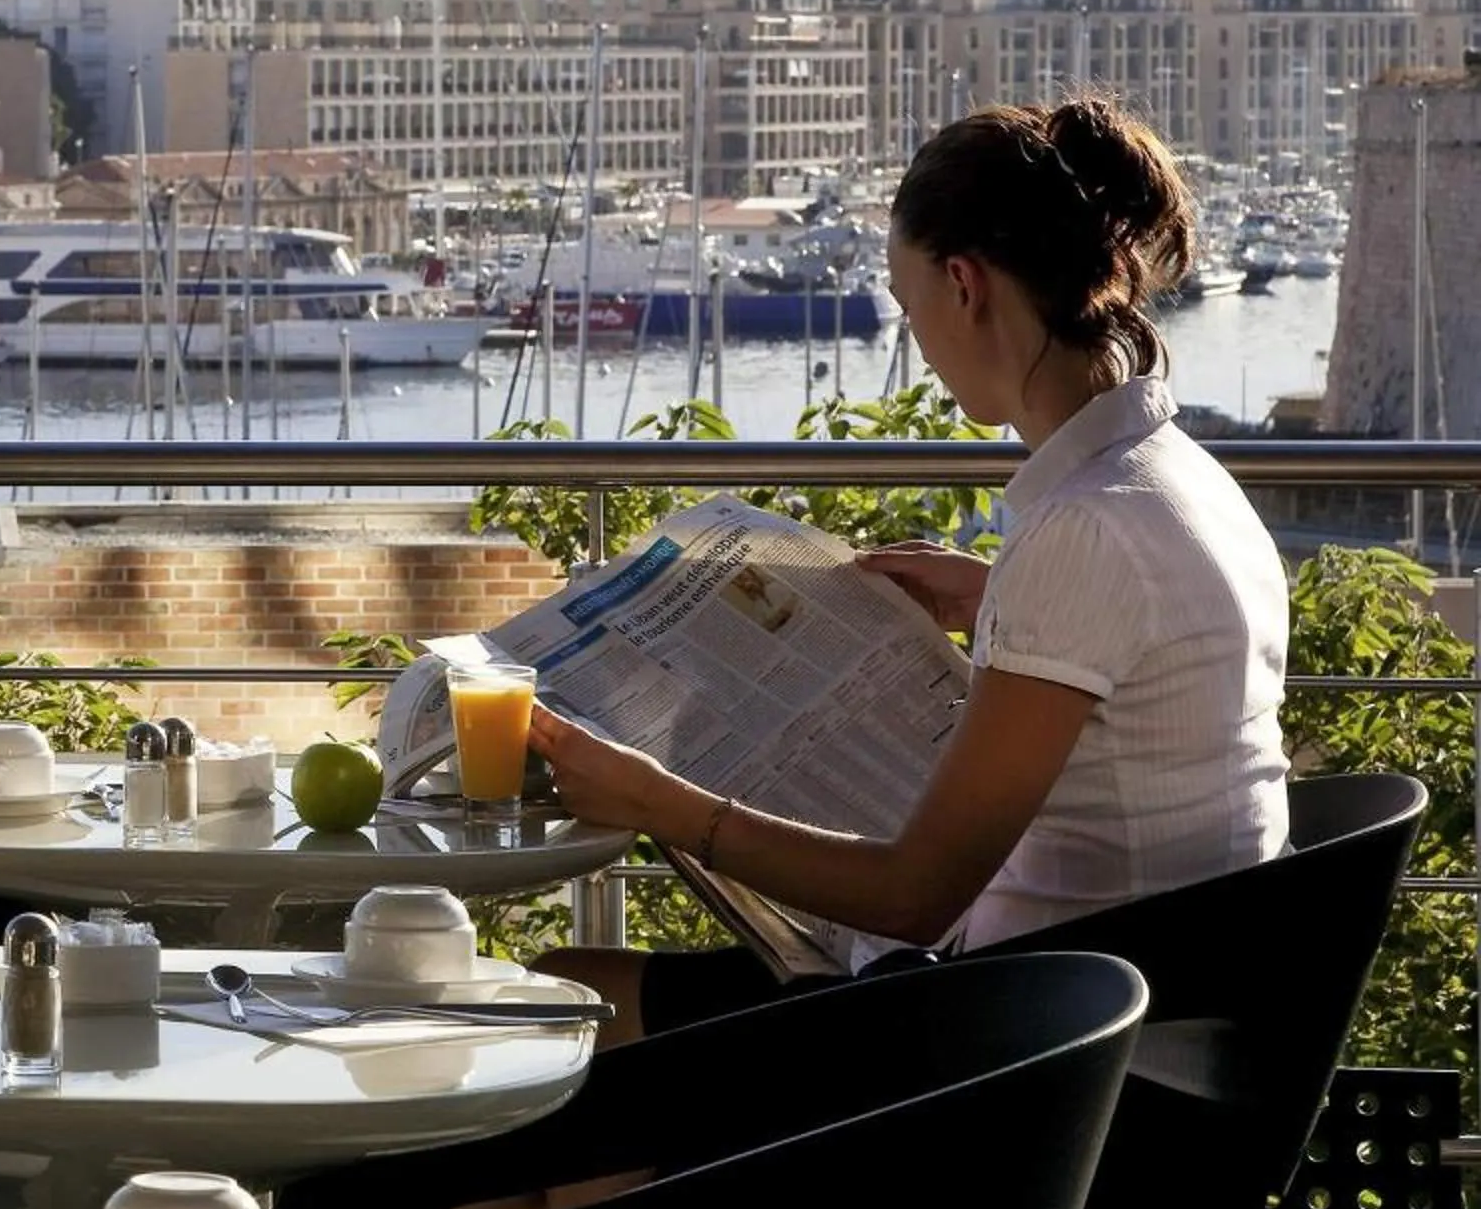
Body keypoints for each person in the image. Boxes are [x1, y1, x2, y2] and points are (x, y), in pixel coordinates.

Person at [531, 94, 1293, 1042]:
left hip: (1022, 1043)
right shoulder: (1174, 477)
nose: (915, 341)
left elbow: (914, 894)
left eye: (907, 302)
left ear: (964, 285)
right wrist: (994, 597)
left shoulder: (1082, 533)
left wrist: (662, 805)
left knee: (548, 1007)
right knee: (571, 1037)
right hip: (1132, 1006)